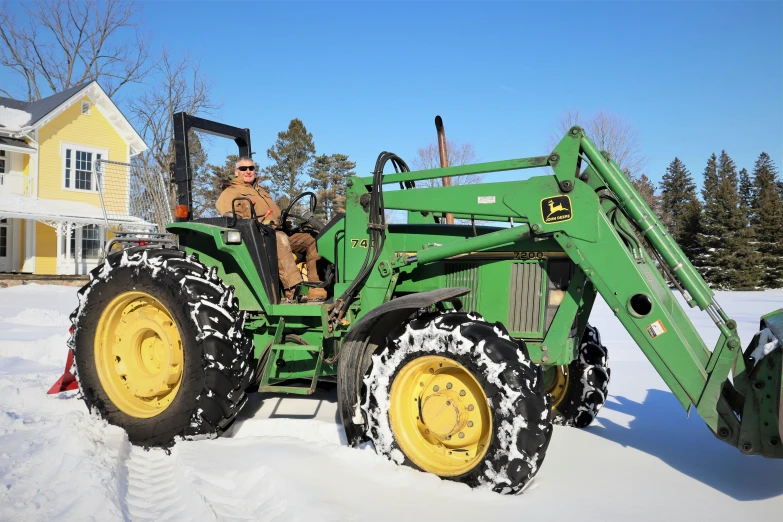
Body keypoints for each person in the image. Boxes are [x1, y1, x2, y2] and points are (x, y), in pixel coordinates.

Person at [216, 157, 327, 302]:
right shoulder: (231, 191)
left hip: (278, 230)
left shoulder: (262, 191)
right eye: (244, 169)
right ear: (237, 172)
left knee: (313, 238)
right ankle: (293, 290)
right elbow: (227, 214)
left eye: (251, 168)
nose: (248, 171)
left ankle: (316, 287)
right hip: (257, 235)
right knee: (279, 238)